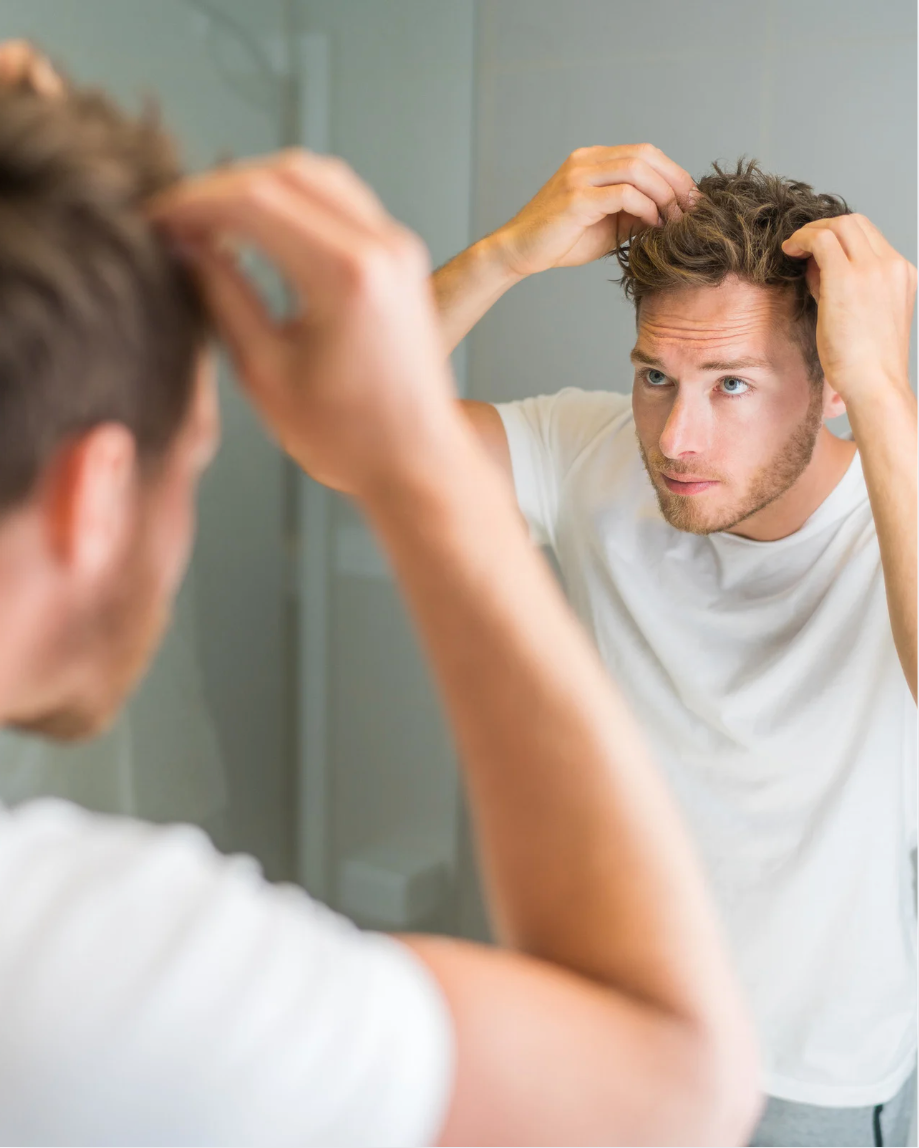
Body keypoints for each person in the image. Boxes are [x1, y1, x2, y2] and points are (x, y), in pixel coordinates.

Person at [0, 43, 760, 1148]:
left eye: (732, 383)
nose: (680, 435)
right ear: (96, 494)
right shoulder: (84, 973)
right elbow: (678, 1083)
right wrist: (419, 428)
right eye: (198, 451)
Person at [434, 144, 918, 1146]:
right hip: (610, 1047)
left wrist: (880, 383)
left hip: (807, 1084)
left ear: (829, 385)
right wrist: (502, 254)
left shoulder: (895, 502)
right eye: (657, 376)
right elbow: (337, 436)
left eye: (730, 384)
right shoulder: (590, 454)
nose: (675, 438)